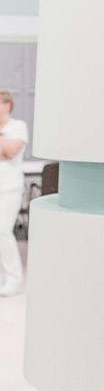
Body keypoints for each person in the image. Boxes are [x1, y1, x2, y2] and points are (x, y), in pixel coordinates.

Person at [0, 91, 29, 297]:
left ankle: (14, 278)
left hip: (9, 188)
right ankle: (4, 275)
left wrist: (2, 137)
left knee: (2, 230)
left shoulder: (18, 126)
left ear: (7, 105)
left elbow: (11, 151)